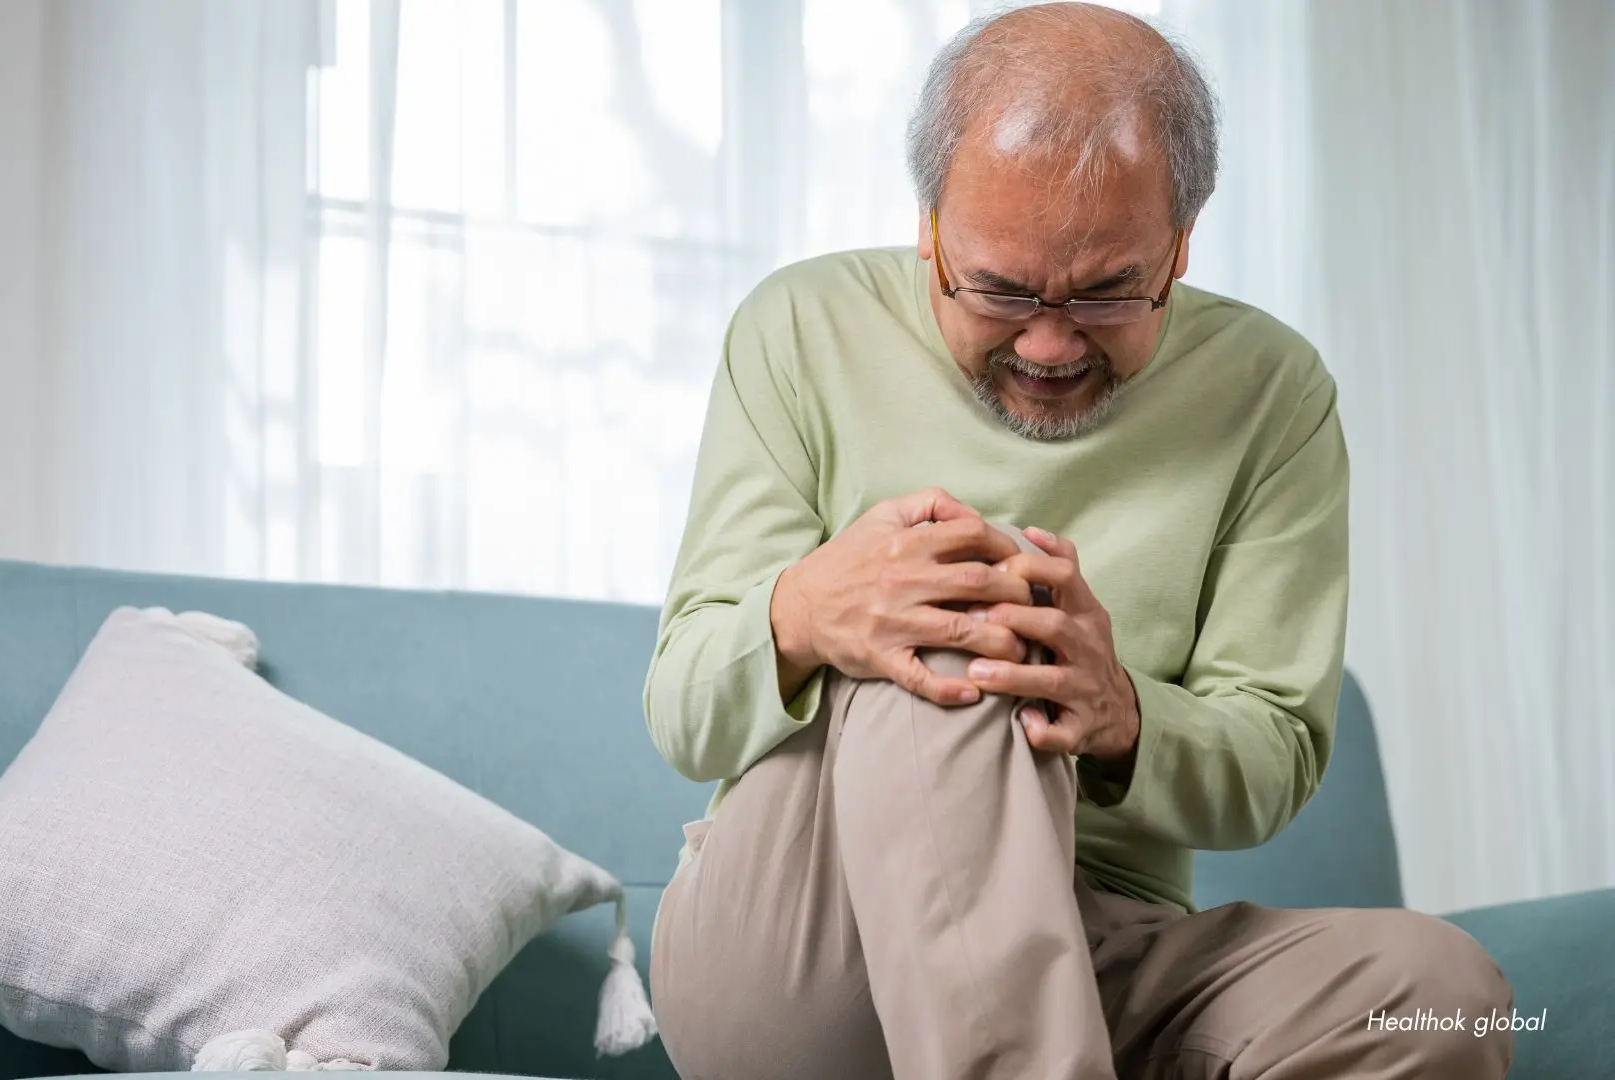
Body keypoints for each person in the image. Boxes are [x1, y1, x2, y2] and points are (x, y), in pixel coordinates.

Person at [641, 4, 1513, 1079]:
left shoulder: (1273, 395)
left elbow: (1273, 756)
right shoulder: (800, 327)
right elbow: (682, 706)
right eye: (1001, 289)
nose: (1048, 344)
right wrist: (809, 613)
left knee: (1449, 997)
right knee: (971, 618)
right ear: (931, 226)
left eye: (1105, 294)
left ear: (1182, 243)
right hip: (803, 945)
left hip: (1096, 948)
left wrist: (1120, 714)